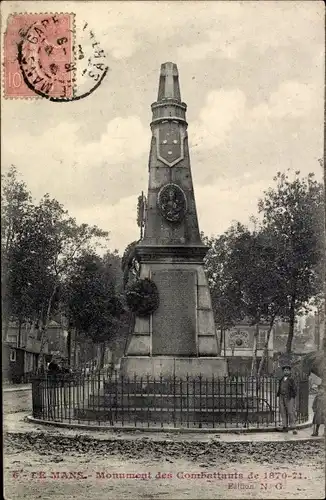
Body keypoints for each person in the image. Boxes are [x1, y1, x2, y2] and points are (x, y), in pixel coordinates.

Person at [276, 364, 297, 434]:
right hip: (282, 397)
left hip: (289, 397)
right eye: (285, 370)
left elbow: (294, 389)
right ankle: (285, 426)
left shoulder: (291, 379)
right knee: (283, 412)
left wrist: (292, 397)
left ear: (290, 371)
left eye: (287, 370)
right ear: (283, 372)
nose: (286, 372)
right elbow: (280, 387)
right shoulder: (281, 379)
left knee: (291, 412)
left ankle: (293, 427)